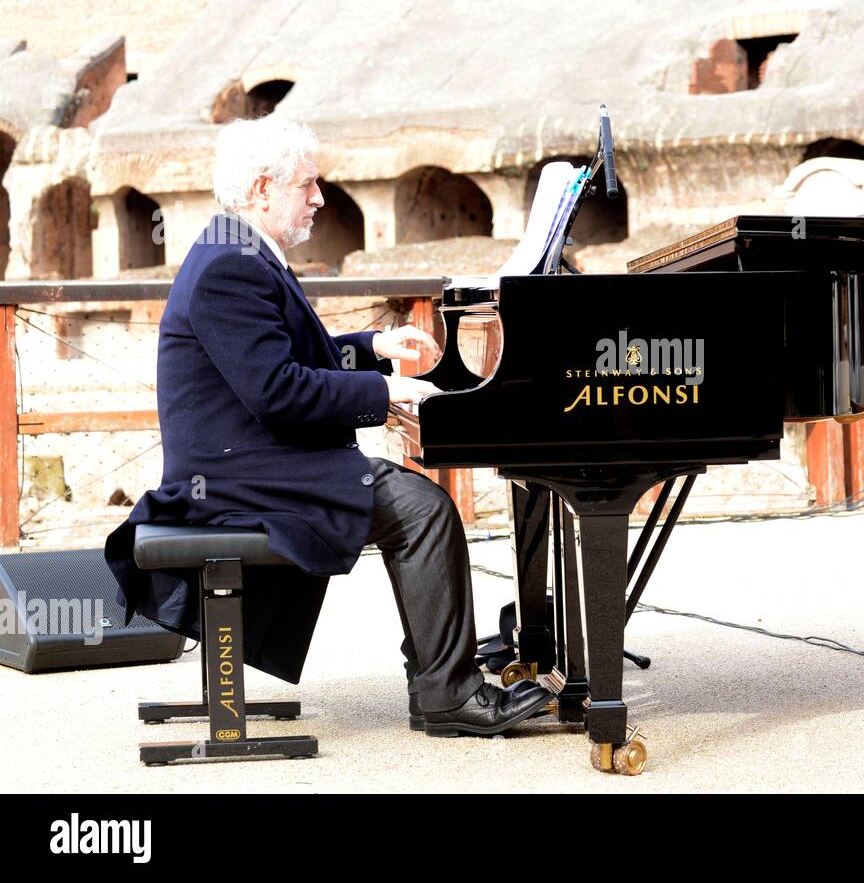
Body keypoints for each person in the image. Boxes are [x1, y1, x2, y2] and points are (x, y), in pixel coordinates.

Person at [104, 117, 552, 737]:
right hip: (234, 480)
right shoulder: (228, 268)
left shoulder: (238, 251)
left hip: (245, 462)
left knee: (416, 505)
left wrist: (371, 348)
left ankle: (437, 680)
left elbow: (286, 356)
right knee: (422, 509)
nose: (319, 197)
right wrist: (387, 389)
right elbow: (279, 392)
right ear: (264, 188)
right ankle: (448, 692)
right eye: (307, 184)